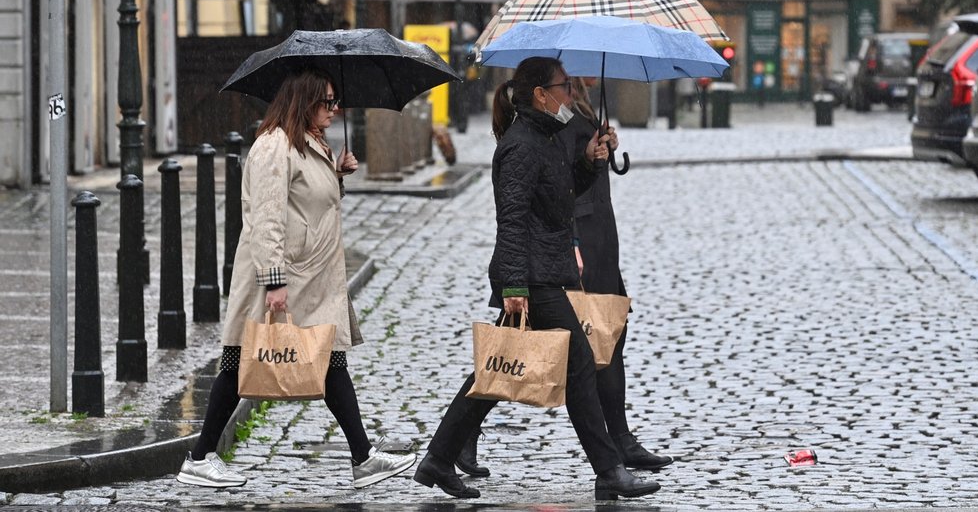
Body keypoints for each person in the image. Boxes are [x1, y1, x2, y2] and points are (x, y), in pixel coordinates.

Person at [413, 57, 661, 501]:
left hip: (540, 272)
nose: (570, 94)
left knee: (495, 370)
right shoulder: (522, 145)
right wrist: (513, 287)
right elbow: (511, 219)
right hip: (530, 277)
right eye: (563, 87)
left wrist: (588, 162)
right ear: (541, 95)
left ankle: (438, 457)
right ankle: (608, 469)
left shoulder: (544, 138)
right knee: (579, 363)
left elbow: (556, 202)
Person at [176, 70, 416, 489]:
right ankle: (199, 458)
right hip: (286, 276)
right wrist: (274, 281)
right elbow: (265, 216)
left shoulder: (309, 145)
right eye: (327, 101)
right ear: (304, 101)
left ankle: (362, 456)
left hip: (311, 277)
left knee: (330, 361)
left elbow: (310, 206)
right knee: (238, 364)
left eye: (334, 100)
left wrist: (337, 175)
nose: (334, 109)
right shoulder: (274, 147)